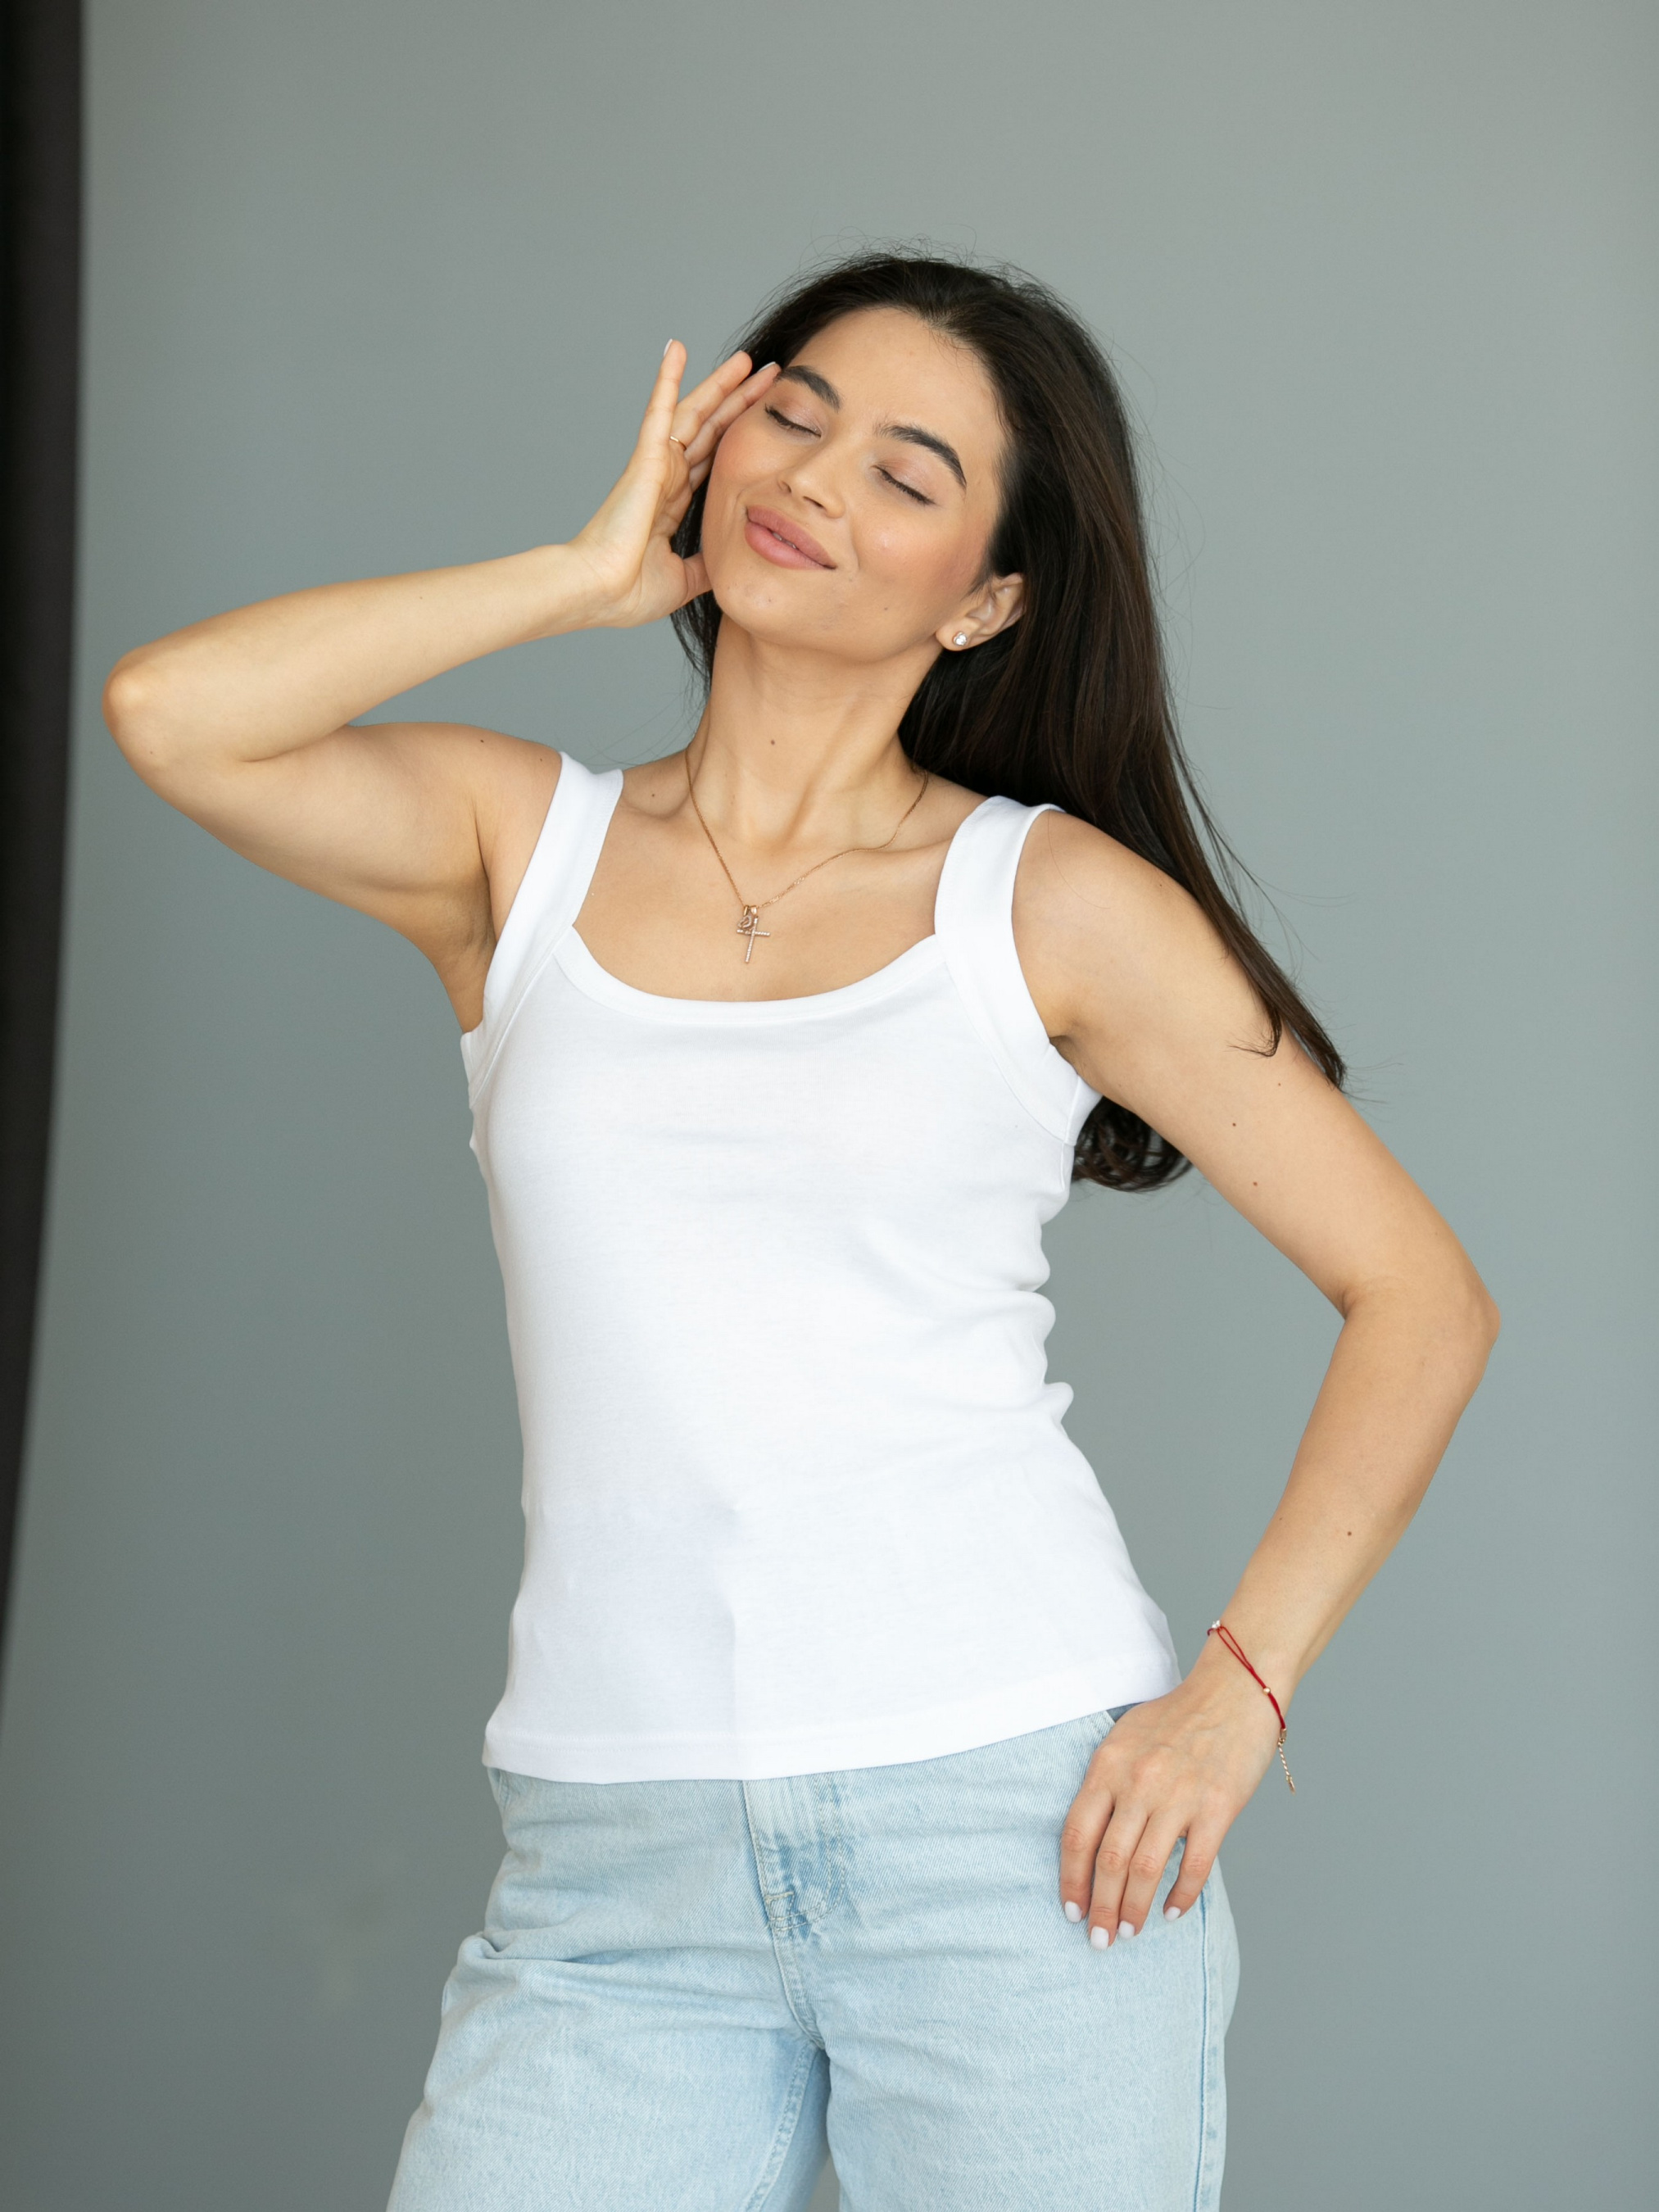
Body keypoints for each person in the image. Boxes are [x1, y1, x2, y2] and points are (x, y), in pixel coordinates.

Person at [104, 250, 1498, 2211]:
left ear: (985, 597)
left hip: (1010, 1837)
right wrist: (573, 578)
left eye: (906, 475)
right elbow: (172, 713)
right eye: (794, 416)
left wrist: (1234, 1696)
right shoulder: (522, 850)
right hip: (614, 1862)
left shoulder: (1048, 904)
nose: (816, 483)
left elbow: (1418, 1295)